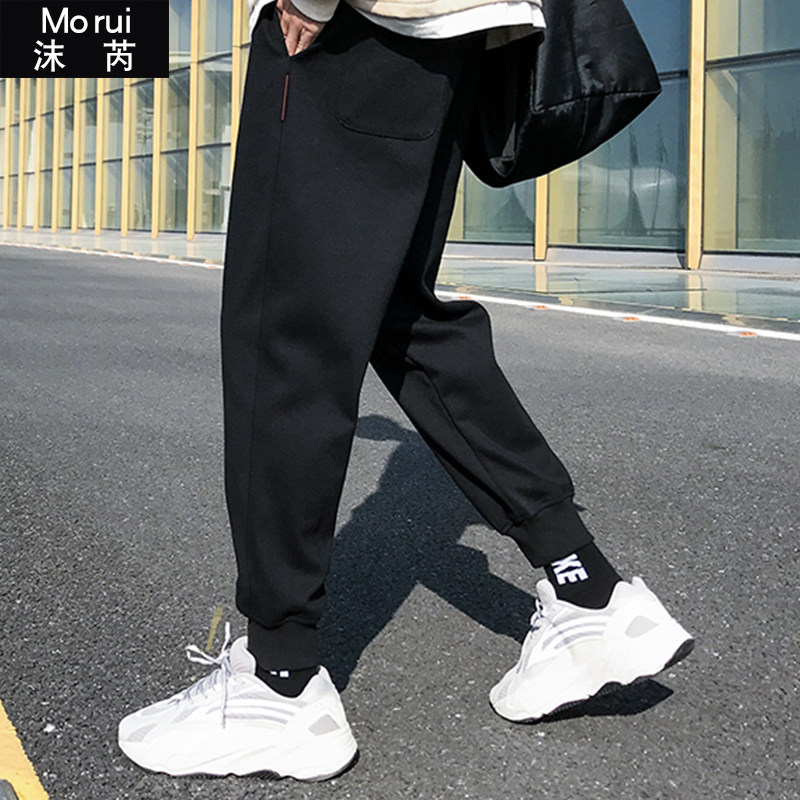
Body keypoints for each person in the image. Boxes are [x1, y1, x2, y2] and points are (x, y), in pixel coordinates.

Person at [118, 0, 694, 781]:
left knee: (284, 329)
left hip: (357, 28)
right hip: (445, 30)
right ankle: (585, 590)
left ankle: (278, 684)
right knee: (395, 312)